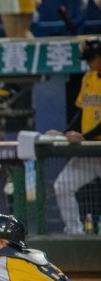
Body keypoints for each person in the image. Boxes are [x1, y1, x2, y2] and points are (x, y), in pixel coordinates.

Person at [50, 36, 101, 235]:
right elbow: (82, 111)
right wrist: (65, 133)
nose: (88, 63)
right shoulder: (88, 78)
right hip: (88, 152)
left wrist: (84, 136)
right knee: (62, 185)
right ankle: (74, 232)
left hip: (95, 145)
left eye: (92, 58)